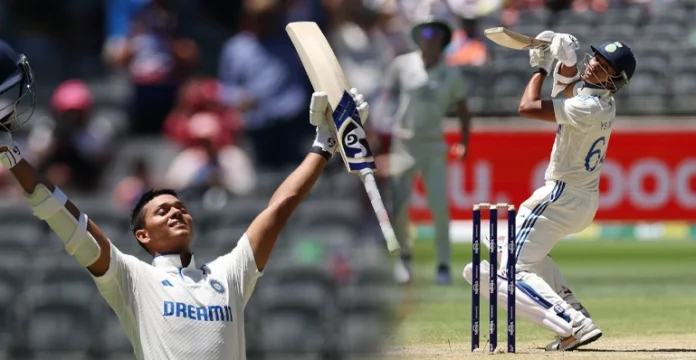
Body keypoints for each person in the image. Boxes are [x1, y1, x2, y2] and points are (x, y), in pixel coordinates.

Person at [0, 39, 370, 359]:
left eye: (180, 208)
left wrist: (325, 144)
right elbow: (70, 224)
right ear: (142, 235)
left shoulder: (231, 273)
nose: (177, 212)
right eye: (162, 211)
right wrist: (12, 158)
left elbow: (279, 208)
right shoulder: (131, 279)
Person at [463, 32, 636, 351]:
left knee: (511, 269)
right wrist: (567, 61)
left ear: (615, 80)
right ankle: (576, 312)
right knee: (531, 256)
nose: (595, 63)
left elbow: (528, 107)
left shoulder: (587, 107)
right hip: (583, 202)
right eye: (596, 56)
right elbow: (567, 89)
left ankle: (572, 322)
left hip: (558, 197)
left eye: (604, 65)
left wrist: (539, 67)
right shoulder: (602, 103)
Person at [382, 17, 472, 285]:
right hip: (403, 144)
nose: (428, 37)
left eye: (434, 33)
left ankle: (443, 265)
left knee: (439, 207)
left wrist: (465, 140)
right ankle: (403, 260)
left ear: (442, 40)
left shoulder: (451, 73)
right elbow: (387, 98)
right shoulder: (402, 64)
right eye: (424, 32)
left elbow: (464, 109)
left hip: (433, 145)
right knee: (399, 206)